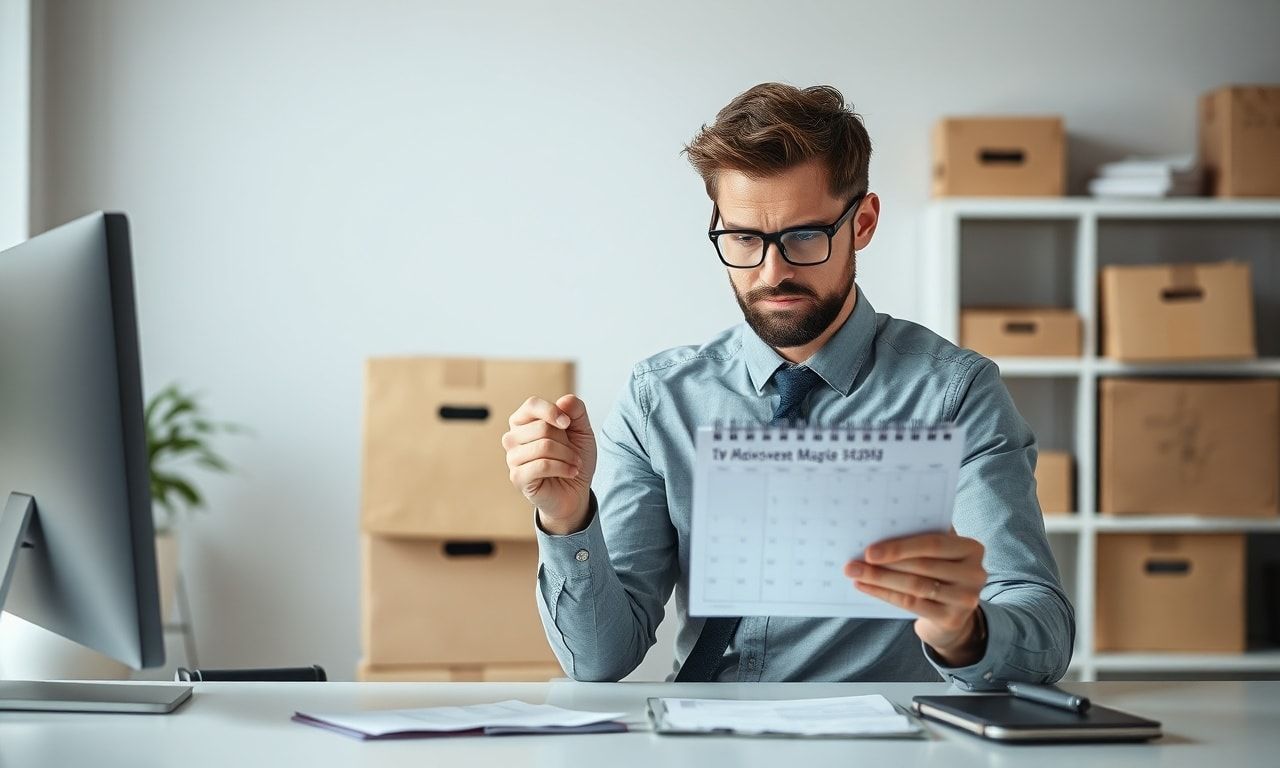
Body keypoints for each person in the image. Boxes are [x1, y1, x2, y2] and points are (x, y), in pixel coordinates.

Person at [501, 82, 1073, 685]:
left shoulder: (954, 396)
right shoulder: (659, 400)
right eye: (744, 238)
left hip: (882, 742)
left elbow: (1044, 627)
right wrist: (567, 519)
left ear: (864, 222)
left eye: (804, 236)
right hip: (705, 739)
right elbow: (598, 661)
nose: (773, 273)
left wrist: (966, 632)